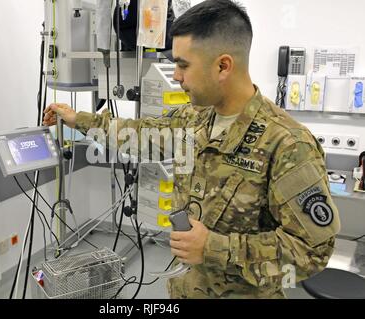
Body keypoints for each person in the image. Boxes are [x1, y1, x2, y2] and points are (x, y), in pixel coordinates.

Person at [43, 0, 340, 298]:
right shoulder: (195, 118)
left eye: (183, 65)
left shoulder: (287, 143)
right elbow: (140, 135)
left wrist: (213, 248)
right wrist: (79, 118)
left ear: (223, 65)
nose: (176, 76)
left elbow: (311, 250)